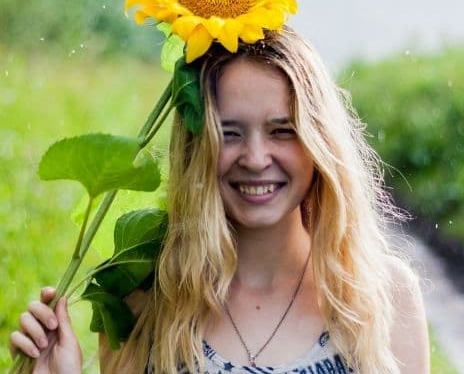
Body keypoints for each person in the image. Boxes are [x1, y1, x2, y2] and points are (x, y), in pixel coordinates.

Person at [10, 26, 430, 373]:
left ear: (319, 144)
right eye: (228, 133)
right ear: (196, 149)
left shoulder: (383, 296)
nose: (255, 158)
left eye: (282, 130)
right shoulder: (143, 302)